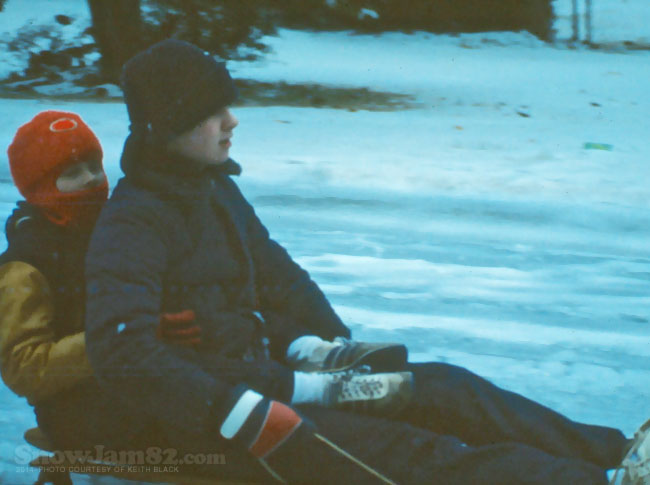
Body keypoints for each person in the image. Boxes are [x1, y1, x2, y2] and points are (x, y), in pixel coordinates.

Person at [83, 39, 643, 485]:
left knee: (444, 387)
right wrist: (231, 411)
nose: (231, 121)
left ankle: (619, 452)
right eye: (210, 113)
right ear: (169, 125)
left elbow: (277, 273)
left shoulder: (210, 188)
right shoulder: (134, 221)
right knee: (416, 454)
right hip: (220, 423)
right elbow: (119, 350)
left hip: (278, 375)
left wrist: (334, 349)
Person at [0, 110, 207, 454]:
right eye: (71, 173)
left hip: (145, 378)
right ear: (40, 188)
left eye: (94, 167)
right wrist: (122, 335)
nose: (89, 180)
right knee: (220, 421)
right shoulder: (25, 265)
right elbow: (26, 369)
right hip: (81, 411)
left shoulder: (120, 227)